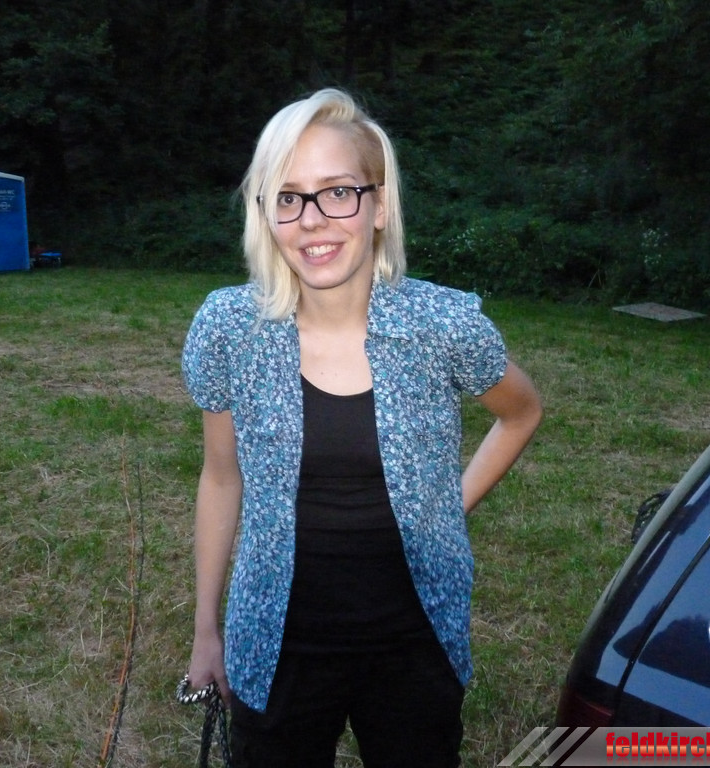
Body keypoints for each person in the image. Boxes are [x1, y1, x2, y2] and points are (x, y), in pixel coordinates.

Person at [181, 87, 542, 768]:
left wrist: (446, 509)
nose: (313, 220)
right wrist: (207, 629)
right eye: (289, 197)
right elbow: (221, 477)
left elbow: (521, 412)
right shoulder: (229, 329)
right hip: (276, 643)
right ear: (266, 214)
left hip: (413, 641)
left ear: (380, 205)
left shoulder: (442, 325)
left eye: (338, 192)